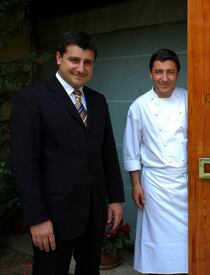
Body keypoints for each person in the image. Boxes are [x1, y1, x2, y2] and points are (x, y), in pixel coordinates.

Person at [10, 31, 125, 275]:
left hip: (93, 215)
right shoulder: (32, 99)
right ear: (59, 58)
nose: (81, 68)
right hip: (52, 218)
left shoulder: (98, 101)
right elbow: (24, 164)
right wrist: (37, 218)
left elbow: (107, 153)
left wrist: (115, 198)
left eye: (88, 62)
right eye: (75, 60)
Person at [123, 48, 188, 274]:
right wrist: (136, 184)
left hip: (184, 181)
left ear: (178, 73)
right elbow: (132, 150)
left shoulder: (190, 99)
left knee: (185, 241)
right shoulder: (139, 106)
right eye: (158, 72)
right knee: (157, 245)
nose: (164, 78)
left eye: (170, 72)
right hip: (155, 185)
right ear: (150, 73)